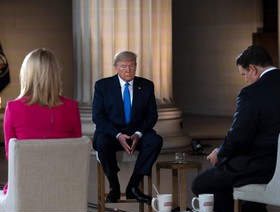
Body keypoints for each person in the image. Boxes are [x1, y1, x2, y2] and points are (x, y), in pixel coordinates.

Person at [192, 45, 280, 212]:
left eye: (244, 74)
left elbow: (239, 137)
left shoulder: (251, 93)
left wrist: (220, 153)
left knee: (201, 183)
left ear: (252, 69)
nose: (245, 80)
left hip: (261, 166)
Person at [3, 48, 82, 195]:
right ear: (56, 74)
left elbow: (11, 156)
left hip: (24, 188)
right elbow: (75, 152)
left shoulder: (13, 108)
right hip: (64, 188)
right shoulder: (72, 107)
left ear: (27, 75)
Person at [92, 51, 163, 204]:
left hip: (137, 133)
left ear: (136, 66)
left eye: (132, 66)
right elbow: (98, 117)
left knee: (155, 141)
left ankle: (133, 185)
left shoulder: (146, 86)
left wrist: (138, 134)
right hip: (112, 134)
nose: (128, 70)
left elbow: (152, 116)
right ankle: (114, 185)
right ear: (116, 67)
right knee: (102, 143)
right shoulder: (102, 86)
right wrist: (118, 134)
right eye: (123, 66)